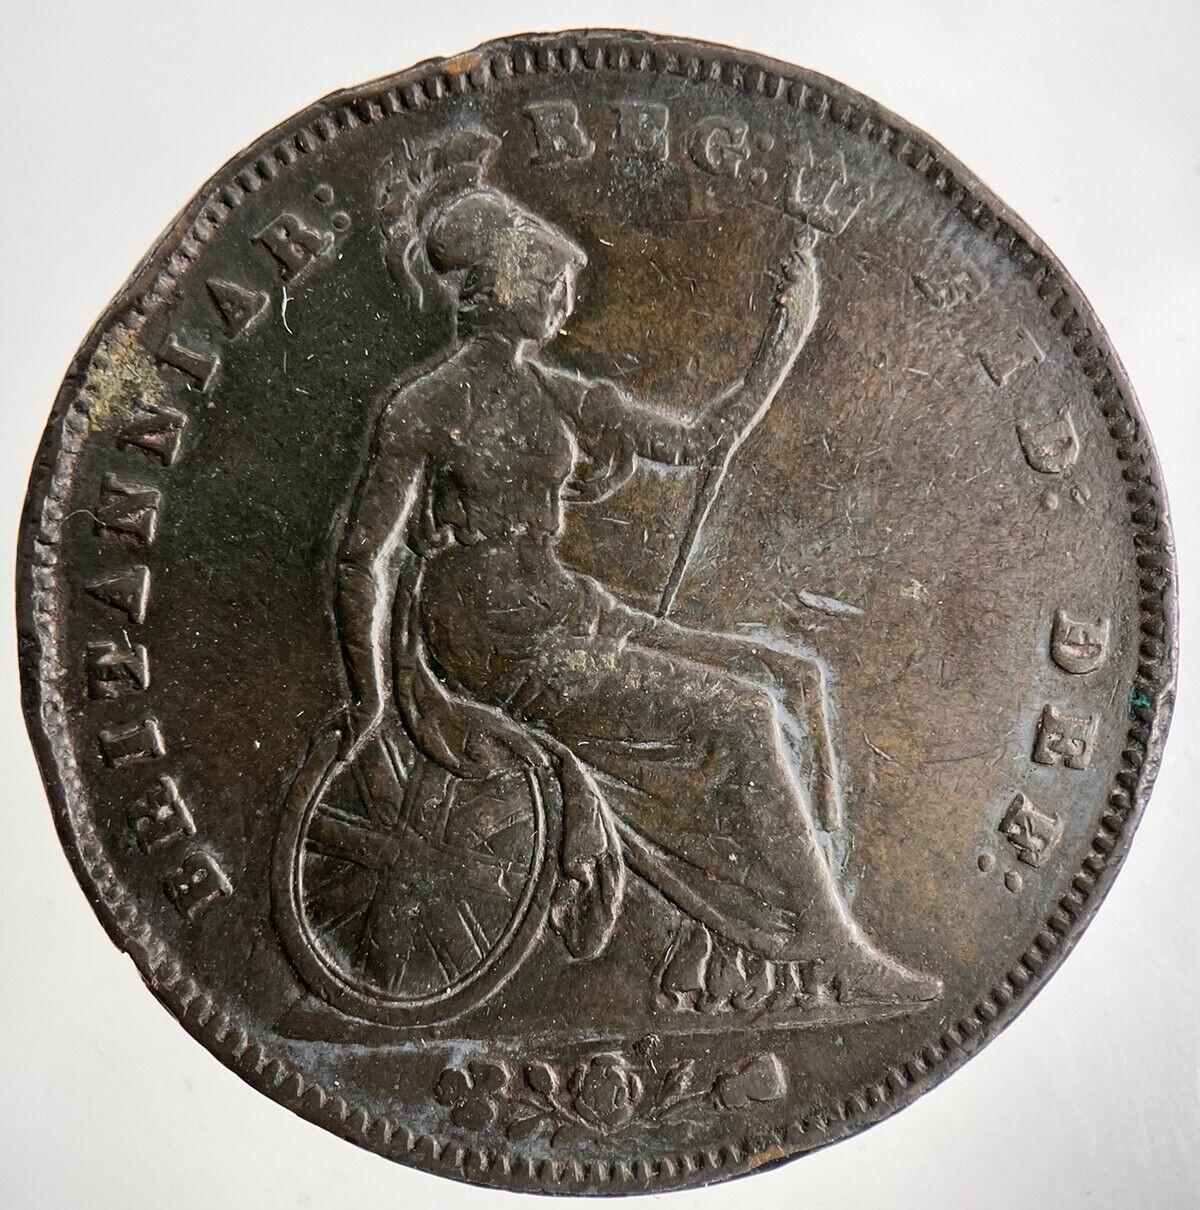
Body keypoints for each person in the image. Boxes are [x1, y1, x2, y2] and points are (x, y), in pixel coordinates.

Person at [332, 128, 940, 1013]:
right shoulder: (426, 406)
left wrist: (785, 334)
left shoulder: (552, 391)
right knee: (743, 715)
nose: (564, 300)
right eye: (549, 282)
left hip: (565, 610)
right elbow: (363, 556)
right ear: (496, 285)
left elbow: (700, 441)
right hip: (496, 639)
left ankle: (783, 935)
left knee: (794, 680)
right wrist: (373, 702)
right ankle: (831, 950)